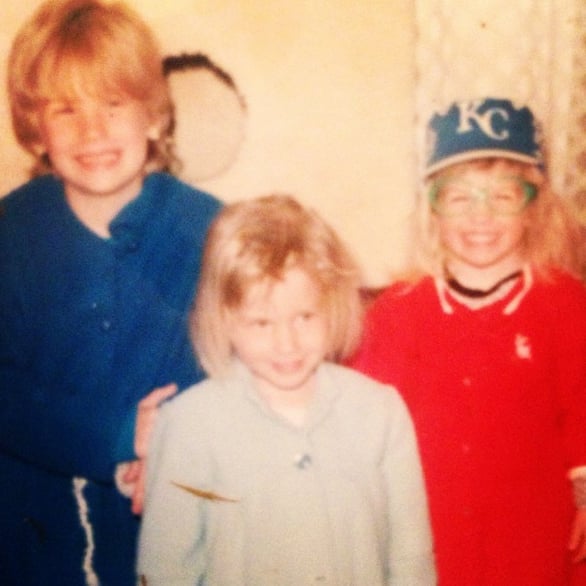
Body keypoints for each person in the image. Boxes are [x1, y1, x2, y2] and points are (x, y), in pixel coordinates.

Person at [0, 1, 222, 584]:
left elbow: (236, 362)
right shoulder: (12, 233)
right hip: (34, 534)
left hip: (169, 525)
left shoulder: (210, 230)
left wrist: (179, 444)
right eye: (66, 110)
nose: (91, 132)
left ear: (152, 116)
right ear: (35, 127)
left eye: (113, 105)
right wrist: (119, 434)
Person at [137, 194, 436, 585]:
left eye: (305, 317)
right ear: (225, 319)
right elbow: (165, 568)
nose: (287, 344)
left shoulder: (380, 412)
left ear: (331, 306)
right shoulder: (189, 424)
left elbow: (411, 556)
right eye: (261, 323)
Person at [349, 97, 586, 585]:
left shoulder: (565, 304)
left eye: (503, 196)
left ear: (533, 205)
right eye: (460, 197)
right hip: (430, 541)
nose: (482, 217)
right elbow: (359, 418)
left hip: (535, 543)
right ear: (433, 208)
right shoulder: (397, 311)